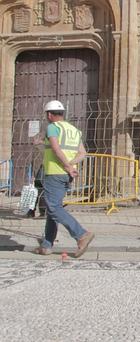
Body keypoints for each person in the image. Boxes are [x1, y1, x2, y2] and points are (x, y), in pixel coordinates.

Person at [34, 100, 94, 257]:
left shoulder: (52, 127)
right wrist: (71, 165)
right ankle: (47, 245)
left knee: (53, 208)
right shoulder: (74, 130)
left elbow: (55, 148)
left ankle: (81, 234)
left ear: (49, 114)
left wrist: (66, 165)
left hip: (54, 172)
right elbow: (82, 153)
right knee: (53, 208)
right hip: (66, 174)